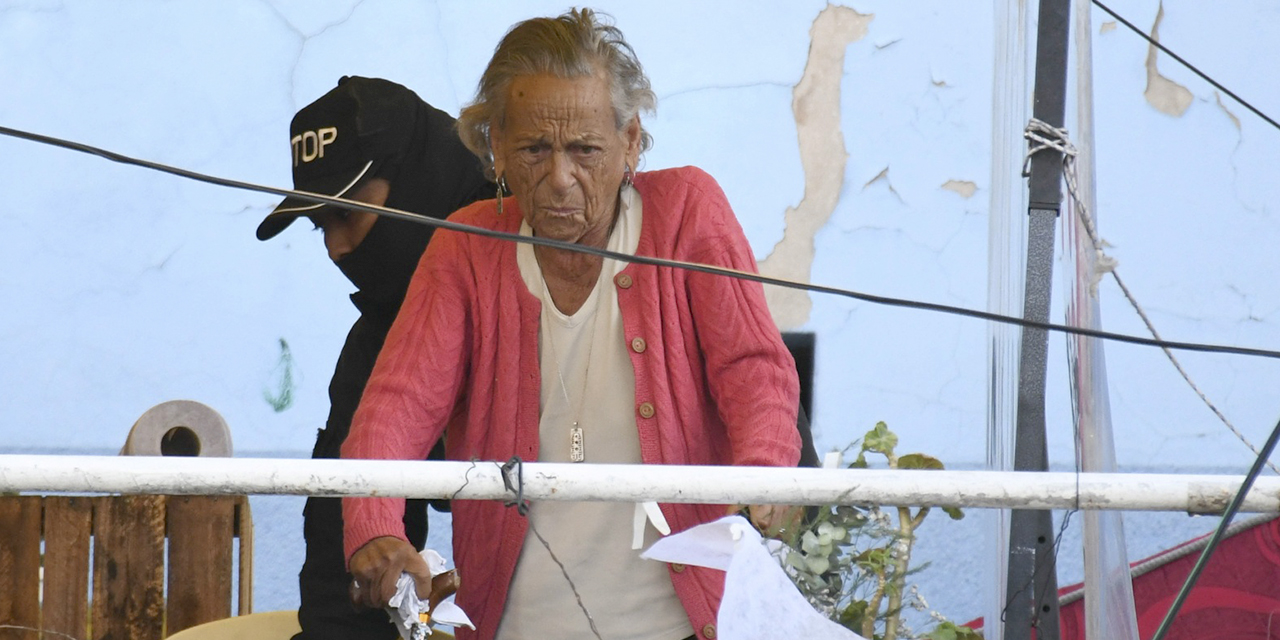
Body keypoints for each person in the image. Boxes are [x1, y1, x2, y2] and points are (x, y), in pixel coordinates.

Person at [341, 10, 802, 640]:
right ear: (496, 146)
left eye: (585, 150)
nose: (560, 179)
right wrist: (376, 525)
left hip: (682, 624)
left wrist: (766, 471)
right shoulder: (465, 249)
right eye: (534, 149)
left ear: (632, 141)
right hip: (519, 625)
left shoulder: (688, 211)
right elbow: (397, 408)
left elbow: (752, 367)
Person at [257, 75, 491, 640]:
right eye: (321, 225)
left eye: (345, 214)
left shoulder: (531, 291)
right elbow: (339, 585)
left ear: (418, 183)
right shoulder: (372, 346)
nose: (336, 247)